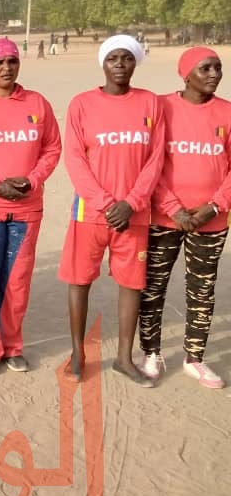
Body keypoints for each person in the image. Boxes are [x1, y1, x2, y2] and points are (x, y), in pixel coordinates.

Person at [59, 35, 165, 387]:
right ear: (103, 63)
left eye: (127, 58)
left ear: (135, 63)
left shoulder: (150, 103)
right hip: (90, 212)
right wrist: (106, 203)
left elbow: (156, 159)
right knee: (79, 280)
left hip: (134, 214)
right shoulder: (81, 104)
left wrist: (131, 202)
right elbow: (75, 159)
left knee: (131, 284)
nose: (120, 63)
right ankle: (78, 353)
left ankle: (123, 357)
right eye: (113, 58)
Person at [0, 39, 62, 375]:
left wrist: (32, 180)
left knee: (17, 279)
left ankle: (13, 344)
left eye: (12, 61)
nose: (6, 68)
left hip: (27, 209)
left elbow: (52, 149)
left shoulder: (37, 103)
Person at [137, 48, 231, 388]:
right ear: (185, 74)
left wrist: (214, 206)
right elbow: (149, 163)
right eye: (205, 68)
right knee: (152, 288)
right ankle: (151, 353)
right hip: (164, 218)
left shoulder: (227, 112)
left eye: (218, 67)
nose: (214, 73)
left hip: (212, 220)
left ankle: (195, 358)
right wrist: (173, 206)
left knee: (202, 290)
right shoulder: (161, 108)